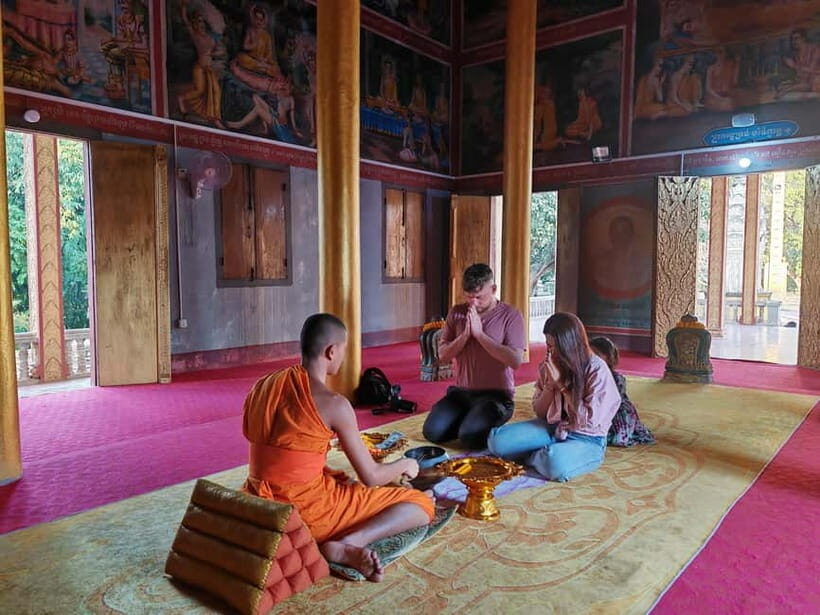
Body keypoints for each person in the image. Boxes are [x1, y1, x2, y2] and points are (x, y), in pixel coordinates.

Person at [242, 313, 435, 582]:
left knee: (348, 485)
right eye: (344, 349)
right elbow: (371, 477)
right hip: (302, 515)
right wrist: (406, 463)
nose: (344, 357)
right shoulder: (335, 404)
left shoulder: (264, 385)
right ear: (331, 351)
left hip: (256, 504)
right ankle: (350, 542)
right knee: (421, 504)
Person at [487, 312, 619, 482]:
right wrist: (550, 386)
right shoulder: (551, 365)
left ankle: (538, 455)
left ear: (569, 345)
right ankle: (542, 453)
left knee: (553, 463)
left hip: (587, 438)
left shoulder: (597, 370)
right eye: (547, 345)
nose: (550, 352)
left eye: (554, 347)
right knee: (497, 441)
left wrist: (562, 385)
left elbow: (587, 421)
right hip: (551, 428)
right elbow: (540, 413)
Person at [422, 264, 525, 450]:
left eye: (479, 297)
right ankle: (469, 420)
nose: (474, 303)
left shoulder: (510, 315)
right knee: (432, 432)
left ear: (493, 289)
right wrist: (465, 336)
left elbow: (515, 360)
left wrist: (480, 335)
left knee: (470, 440)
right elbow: (442, 356)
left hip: (496, 396)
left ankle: (474, 424)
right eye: (469, 297)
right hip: (462, 393)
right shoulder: (457, 312)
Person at [588, 336, 656, 447]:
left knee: (619, 439)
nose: (592, 358)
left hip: (616, 412)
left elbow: (611, 403)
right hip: (596, 410)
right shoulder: (588, 374)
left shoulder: (616, 378)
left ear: (608, 358)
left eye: (596, 354)